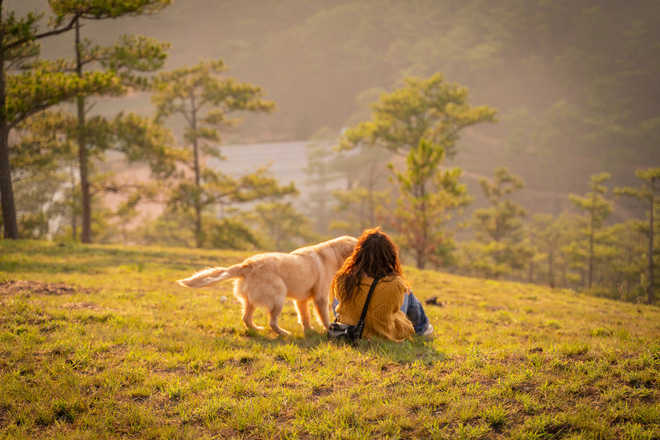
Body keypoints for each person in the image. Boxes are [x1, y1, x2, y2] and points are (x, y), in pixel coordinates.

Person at [331, 227, 433, 342]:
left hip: (350, 330)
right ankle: (422, 328)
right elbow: (395, 308)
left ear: (359, 252)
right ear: (389, 254)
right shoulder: (395, 283)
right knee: (407, 293)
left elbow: (340, 300)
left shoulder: (343, 277)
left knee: (338, 299)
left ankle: (421, 327)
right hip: (383, 334)